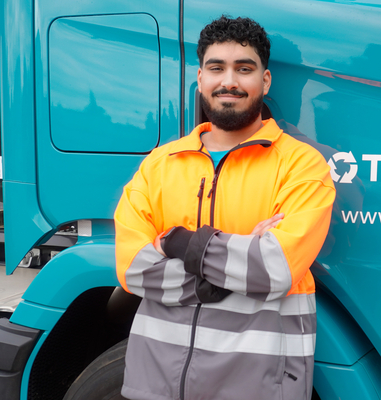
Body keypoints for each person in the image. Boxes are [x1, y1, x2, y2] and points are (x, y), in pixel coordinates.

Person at [114, 15, 335, 400]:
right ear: (200, 78)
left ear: (265, 80)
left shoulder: (302, 165)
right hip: (157, 383)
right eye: (217, 68)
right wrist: (243, 256)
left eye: (244, 69)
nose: (229, 81)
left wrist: (177, 243)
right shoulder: (160, 163)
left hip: (255, 386)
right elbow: (132, 269)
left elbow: (275, 270)